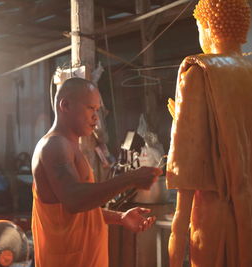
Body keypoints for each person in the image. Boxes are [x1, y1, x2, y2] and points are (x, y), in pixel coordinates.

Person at [166, 0, 252, 266]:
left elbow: (186, 167)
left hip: (218, 218)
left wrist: (178, 234)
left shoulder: (200, 71)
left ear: (206, 26)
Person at [31, 77, 162, 267]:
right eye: (90, 108)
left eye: (97, 110)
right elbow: (74, 199)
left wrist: (120, 217)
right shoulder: (54, 145)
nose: (96, 117)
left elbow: (77, 212)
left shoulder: (70, 146)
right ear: (65, 105)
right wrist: (131, 178)